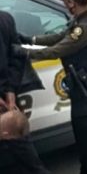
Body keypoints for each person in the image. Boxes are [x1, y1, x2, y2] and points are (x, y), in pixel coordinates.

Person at [13, 0, 87, 173]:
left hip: (85, 86)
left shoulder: (85, 28)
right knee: (86, 136)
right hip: (85, 85)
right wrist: (31, 40)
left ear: (71, 2)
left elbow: (58, 50)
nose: (64, 6)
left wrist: (25, 53)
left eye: (64, 2)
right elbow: (61, 36)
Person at [0, 12, 49, 174]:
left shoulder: (4, 19)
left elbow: (16, 56)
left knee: (23, 151)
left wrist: (10, 91)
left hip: (7, 99)